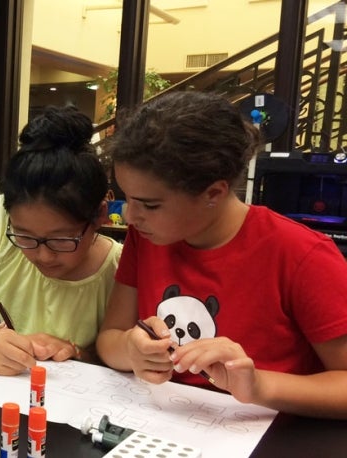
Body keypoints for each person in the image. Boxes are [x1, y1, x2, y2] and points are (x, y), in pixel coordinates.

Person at [96, 90, 347, 419]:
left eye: (150, 205)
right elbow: (110, 339)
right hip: (163, 425)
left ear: (214, 192)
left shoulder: (302, 255)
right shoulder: (146, 238)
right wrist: (131, 350)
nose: (130, 216)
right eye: (128, 198)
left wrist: (258, 386)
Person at [0, 105, 123, 376]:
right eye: (25, 237)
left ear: (100, 215)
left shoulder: (119, 267)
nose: (43, 255)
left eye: (61, 240)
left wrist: (75, 353)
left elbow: (117, 360)